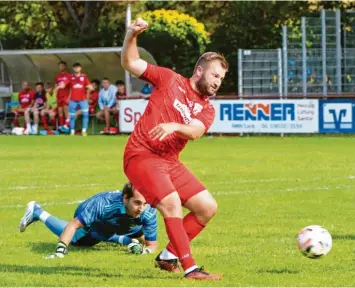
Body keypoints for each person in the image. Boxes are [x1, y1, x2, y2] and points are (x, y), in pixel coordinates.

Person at [121, 18, 228, 280]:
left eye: (222, 79)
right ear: (199, 70)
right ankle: (190, 268)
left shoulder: (207, 108)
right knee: (171, 203)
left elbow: (195, 131)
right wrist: (131, 35)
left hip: (169, 161)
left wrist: (174, 126)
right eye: (215, 75)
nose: (217, 83)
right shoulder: (169, 79)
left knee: (207, 207)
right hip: (142, 154)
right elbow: (130, 63)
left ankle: (169, 255)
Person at [19, 183, 158, 258]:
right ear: (125, 199)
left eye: (145, 204)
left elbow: (152, 245)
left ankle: (126, 240)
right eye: (137, 203)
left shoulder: (149, 211)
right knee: (80, 241)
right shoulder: (103, 205)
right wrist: (60, 251)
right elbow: (73, 225)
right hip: (96, 220)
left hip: (122, 222)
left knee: (139, 238)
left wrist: (142, 251)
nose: (142, 208)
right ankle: (38, 211)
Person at [57, 62, 93, 136]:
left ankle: (84, 131)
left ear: (81, 68)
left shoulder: (84, 77)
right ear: (73, 68)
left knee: (86, 115)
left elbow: (89, 85)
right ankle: (72, 131)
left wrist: (90, 87)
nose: (77, 68)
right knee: (72, 116)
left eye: (78, 67)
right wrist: (59, 86)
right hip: (73, 100)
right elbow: (63, 84)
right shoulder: (70, 77)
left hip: (83, 100)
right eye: (75, 67)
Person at [55, 61, 71, 131]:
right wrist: (55, 96)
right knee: (60, 112)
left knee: (66, 112)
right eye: (60, 66)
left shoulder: (69, 75)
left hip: (66, 96)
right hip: (59, 97)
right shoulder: (57, 76)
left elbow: (71, 88)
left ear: (65, 66)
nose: (61, 67)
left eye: (62, 65)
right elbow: (56, 86)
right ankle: (61, 126)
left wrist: (69, 97)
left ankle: (67, 127)